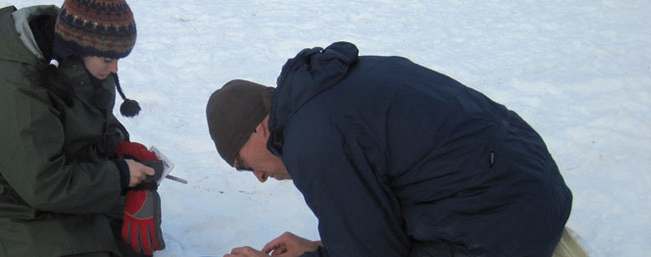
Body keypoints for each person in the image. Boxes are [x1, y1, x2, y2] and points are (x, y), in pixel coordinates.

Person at [206, 42, 575, 257]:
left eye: (243, 163)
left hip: (506, 222)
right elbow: (375, 225)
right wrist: (318, 249)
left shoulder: (312, 140)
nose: (259, 177)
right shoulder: (324, 92)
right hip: (530, 182)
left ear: (259, 127)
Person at [0, 1, 165, 256]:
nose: (115, 69)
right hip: (11, 204)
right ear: (77, 48)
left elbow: (94, 119)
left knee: (138, 237)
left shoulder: (76, 66)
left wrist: (119, 146)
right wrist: (118, 175)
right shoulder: (10, 86)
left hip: (57, 188)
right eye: (109, 59)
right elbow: (43, 184)